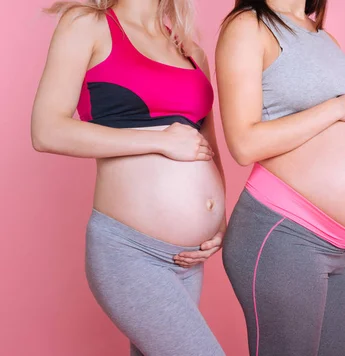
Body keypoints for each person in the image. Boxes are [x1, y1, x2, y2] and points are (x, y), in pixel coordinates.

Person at [31, 1, 225, 355]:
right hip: (129, 251)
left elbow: (207, 147)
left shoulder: (190, 49)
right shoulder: (87, 25)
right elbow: (46, 131)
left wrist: (218, 220)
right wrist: (159, 139)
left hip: (188, 259)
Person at [216, 0, 345, 355]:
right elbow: (243, 144)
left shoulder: (323, 37)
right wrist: (335, 107)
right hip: (282, 232)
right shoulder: (249, 26)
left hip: (339, 243)